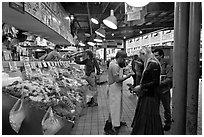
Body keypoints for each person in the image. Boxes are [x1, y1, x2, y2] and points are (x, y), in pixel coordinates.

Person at [130, 46, 163, 135]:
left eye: (141, 57)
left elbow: (155, 82)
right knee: (149, 118)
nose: (141, 60)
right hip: (148, 95)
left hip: (150, 96)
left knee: (148, 118)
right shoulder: (151, 64)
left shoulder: (152, 64)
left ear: (144, 54)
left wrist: (141, 87)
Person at [104, 50, 134, 135]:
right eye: (124, 59)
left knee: (117, 107)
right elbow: (117, 80)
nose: (124, 61)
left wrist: (125, 71)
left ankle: (117, 122)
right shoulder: (114, 66)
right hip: (114, 89)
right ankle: (108, 127)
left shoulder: (115, 63)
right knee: (113, 108)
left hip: (116, 89)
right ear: (120, 58)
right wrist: (128, 76)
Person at [152, 48, 173, 131]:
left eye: (156, 55)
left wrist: (161, 83)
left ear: (161, 55)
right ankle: (156, 123)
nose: (155, 57)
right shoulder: (153, 65)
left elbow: (170, 78)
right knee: (155, 107)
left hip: (164, 90)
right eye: (154, 55)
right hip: (156, 90)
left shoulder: (166, 65)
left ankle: (168, 122)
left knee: (166, 108)